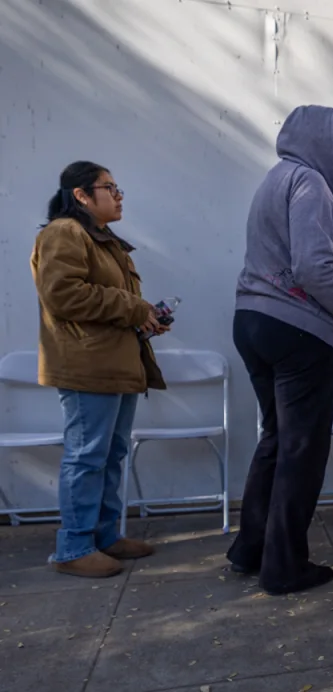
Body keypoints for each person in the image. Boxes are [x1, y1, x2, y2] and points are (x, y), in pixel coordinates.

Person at [228, 106, 333, 595]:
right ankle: (285, 566)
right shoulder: (311, 184)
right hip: (297, 330)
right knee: (302, 448)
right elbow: (314, 267)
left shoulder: (276, 179)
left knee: (276, 439)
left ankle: (251, 549)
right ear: (317, 137)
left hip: (253, 321)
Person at [31, 161, 168, 579]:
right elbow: (64, 294)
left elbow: (106, 301)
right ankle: (74, 546)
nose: (119, 194)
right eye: (110, 187)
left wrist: (144, 316)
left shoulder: (102, 239)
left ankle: (104, 536)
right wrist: (133, 308)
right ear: (81, 195)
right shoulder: (63, 233)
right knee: (87, 456)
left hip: (114, 364)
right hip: (86, 367)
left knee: (110, 455)